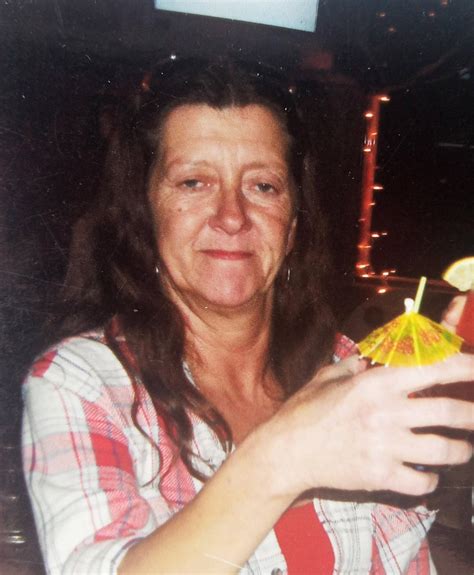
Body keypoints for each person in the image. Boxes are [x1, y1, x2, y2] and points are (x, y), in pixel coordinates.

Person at [22, 58, 473, 575]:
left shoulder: (352, 369)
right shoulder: (82, 383)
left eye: (263, 186)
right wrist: (284, 454)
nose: (232, 217)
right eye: (194, 182)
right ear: (146, 214)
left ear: (293, 225)